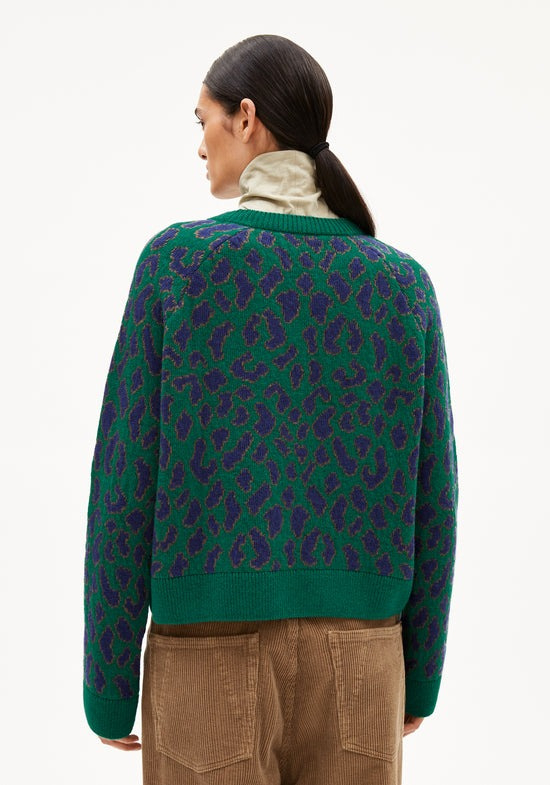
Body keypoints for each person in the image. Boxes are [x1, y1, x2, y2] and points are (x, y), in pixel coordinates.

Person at [83, 34, 459, 785]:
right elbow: (435, 496)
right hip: (363, 666)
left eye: (204, 121)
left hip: (206, 666)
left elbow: (124, 482)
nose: (200, 146)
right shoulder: (402, 285)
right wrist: (419, 676)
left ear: (247, 118)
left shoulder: (177, 266)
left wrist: (108, 684)